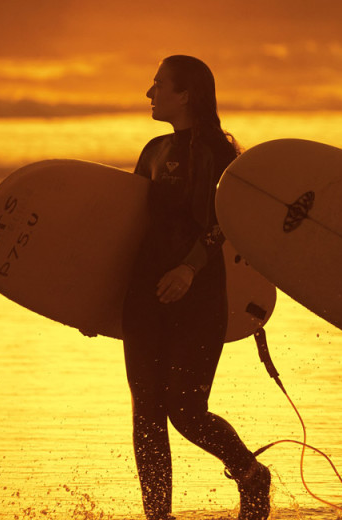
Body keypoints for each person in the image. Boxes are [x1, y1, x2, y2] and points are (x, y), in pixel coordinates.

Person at [121, 55, 270, 520]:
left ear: (185, 95)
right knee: (146, 412)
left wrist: (187, 270)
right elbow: (126, 226)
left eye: (159, 84)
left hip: (199, 293)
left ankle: (250, 473)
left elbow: (222, 223)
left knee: (184, 409)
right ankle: (157, 516)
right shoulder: (153, 150)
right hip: (144, 293)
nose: (150, 93)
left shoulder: (218, 155)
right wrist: (91, 301)